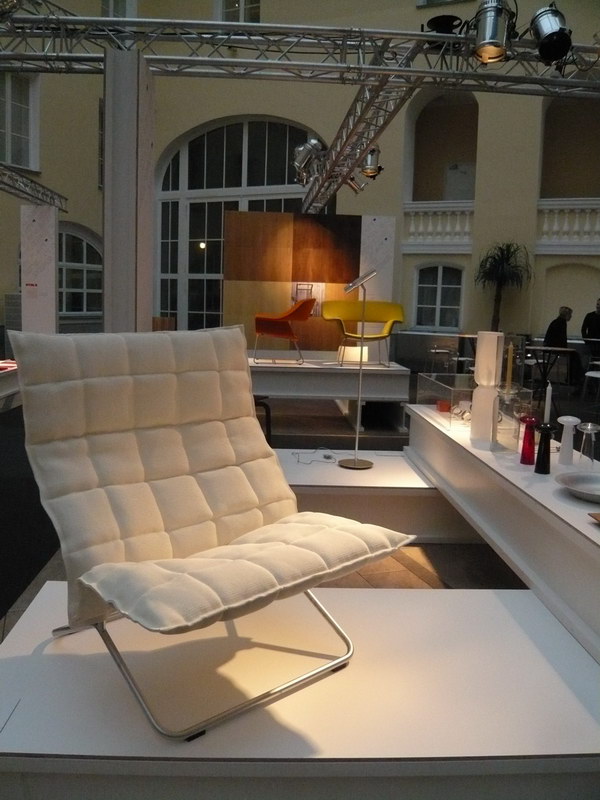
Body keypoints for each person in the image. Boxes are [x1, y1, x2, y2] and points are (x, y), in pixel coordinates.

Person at [543, 306, 583, 386]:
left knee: (574, 356)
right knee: (575, 356)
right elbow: (562, 339)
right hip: (555, 348)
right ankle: (574, 378)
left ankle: (572, 378)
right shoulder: (562, 323)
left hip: (549, 347)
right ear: (566, 315)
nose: (571, 316)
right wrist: (566, 349)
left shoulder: (555, 322)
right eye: (570, 314)